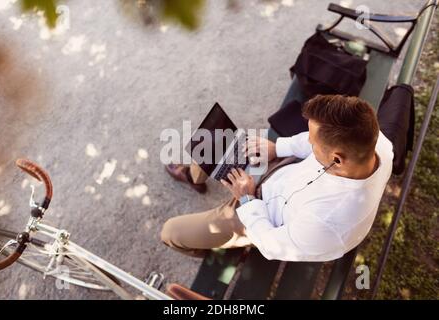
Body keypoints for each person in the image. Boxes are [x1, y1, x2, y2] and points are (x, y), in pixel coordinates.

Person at [161, 95, 394, 261]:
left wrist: (246, 200)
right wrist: (278, 148)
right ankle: (194, 177)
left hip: (259, 213)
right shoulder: (375, 142)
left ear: (337, 159)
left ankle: (215, 251)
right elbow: (309, 141)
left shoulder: (325, 224)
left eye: (314, 144)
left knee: (170, 232)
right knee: (211, 143)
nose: (309, 143)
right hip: (280, 170)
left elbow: (272, 246)